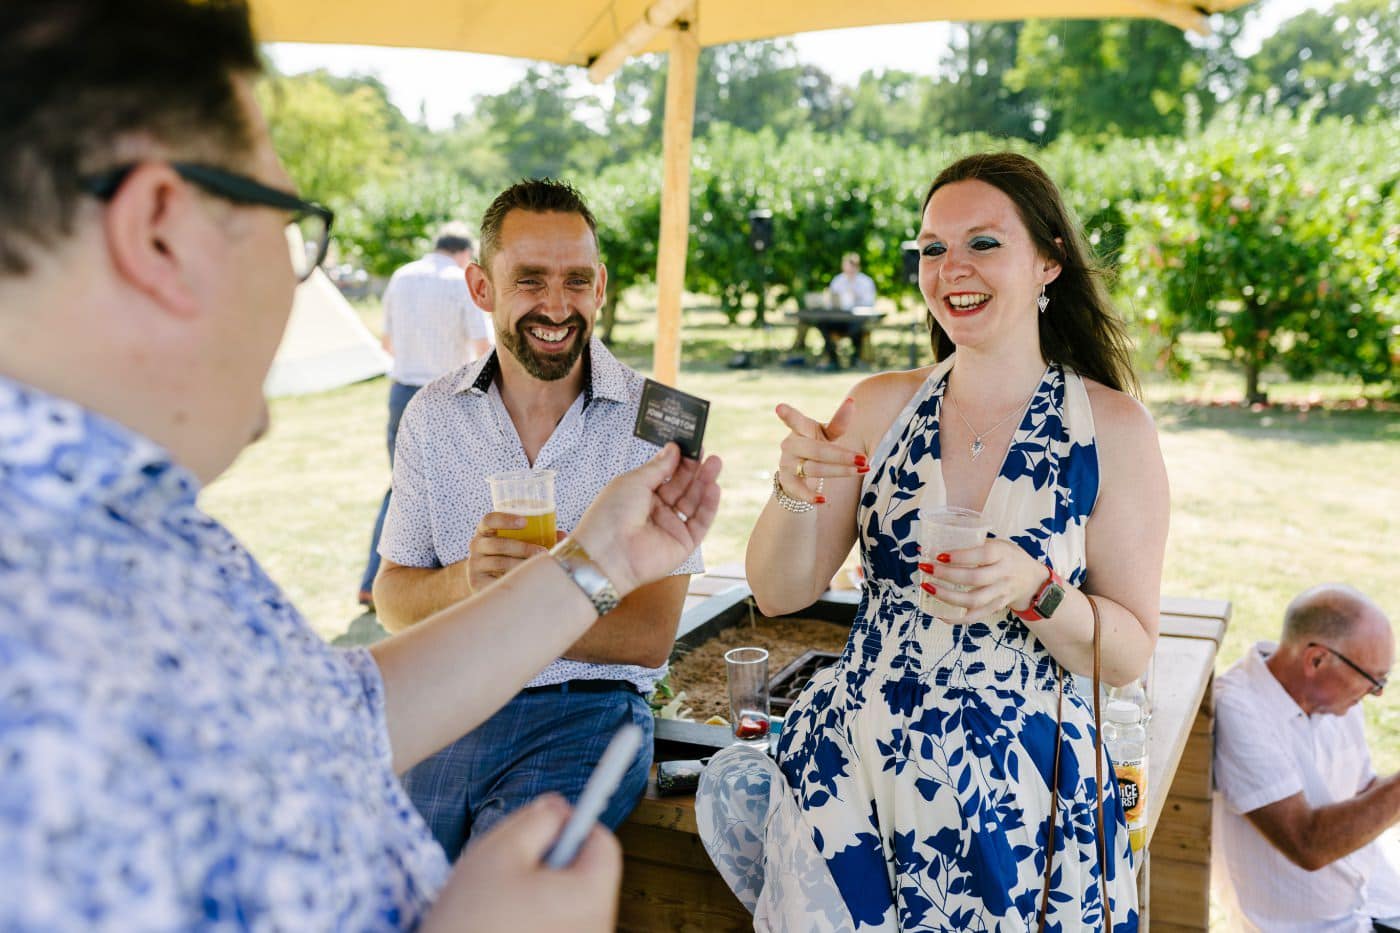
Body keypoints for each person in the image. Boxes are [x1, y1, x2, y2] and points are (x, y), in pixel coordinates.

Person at [0, 2, 723, 929]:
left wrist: (594, 566)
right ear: (161, 232)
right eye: (292, 222)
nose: (302, 267)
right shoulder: (43, 616)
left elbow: (329, 719)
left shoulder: (144, 531)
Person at [703, 152, 1168, 930]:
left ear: (1049, 261)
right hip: (856, 780)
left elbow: (1126, 653)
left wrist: (1037, 589)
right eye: (931, 247)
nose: (951, 266)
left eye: (983, 242)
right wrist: (793, 487)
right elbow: (778, 591)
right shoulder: (879, 407)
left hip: (1021, 803)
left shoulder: (1110, 430)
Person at [373, 178, 702, 861]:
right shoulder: (431, 415)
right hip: (451, 702)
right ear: (481, 286)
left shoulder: (664, 420)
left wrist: (531, 593)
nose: (557, 305)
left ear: (602, 285)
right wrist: (469, 578)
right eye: (530, 280)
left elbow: (648, 635)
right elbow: (393, 598)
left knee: (502, 889)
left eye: (576, 280)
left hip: (584, 713)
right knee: (391, 887)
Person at [1213, 584, 1400, 933]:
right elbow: (1306, 844)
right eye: (1374, 680)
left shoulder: (1337, 700)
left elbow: (1365, 794)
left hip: (1378, 900)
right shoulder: (1241, 708)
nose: (1378, 693)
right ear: (1316, 659)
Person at [357, 224, 493, 608]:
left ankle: (374, 581)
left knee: (401, 489)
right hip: (443, 396)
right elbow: (482, 347)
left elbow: (386, 342)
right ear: (465, 256)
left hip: (400, 392)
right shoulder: (459, 282)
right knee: (449, 493)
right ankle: (423, 585)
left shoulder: (401, 277)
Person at [788, 253, 879, 370]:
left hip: (856, 320)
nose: (848, 272)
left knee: (858, 329)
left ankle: (855, 359)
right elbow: (831, 301)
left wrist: (856, 296)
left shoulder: (866, 282)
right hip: (839, 318)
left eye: (851, 269)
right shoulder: (838, 280)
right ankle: (833, 359)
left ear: (857, 268)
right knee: (823, 325)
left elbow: (870, 303)